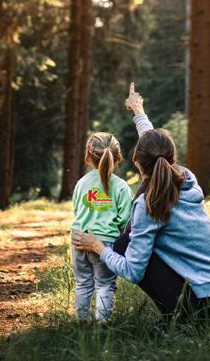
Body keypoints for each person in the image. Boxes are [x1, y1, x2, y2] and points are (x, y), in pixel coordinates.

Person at [72, 83, 210, 328]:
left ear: (135, 160)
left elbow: (133, 271)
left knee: (124, 242)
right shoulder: (186, 177)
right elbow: (155, 147)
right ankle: (181, 317)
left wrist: (98, 247)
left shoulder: (148, 205)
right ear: (171, 158)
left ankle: (183, 321)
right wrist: (138, 111)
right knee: (131, 240)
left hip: (203, 309)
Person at [70, 132, 133, 322]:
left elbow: (77, 210)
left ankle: (81, 323)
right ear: (118, 157)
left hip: (79, 240)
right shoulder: (121, 187)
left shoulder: (81, 184)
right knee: (104, 285)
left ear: (87, 156)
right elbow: (126, 221)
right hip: (104, 245)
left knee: (83, 283)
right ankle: (102, 326)